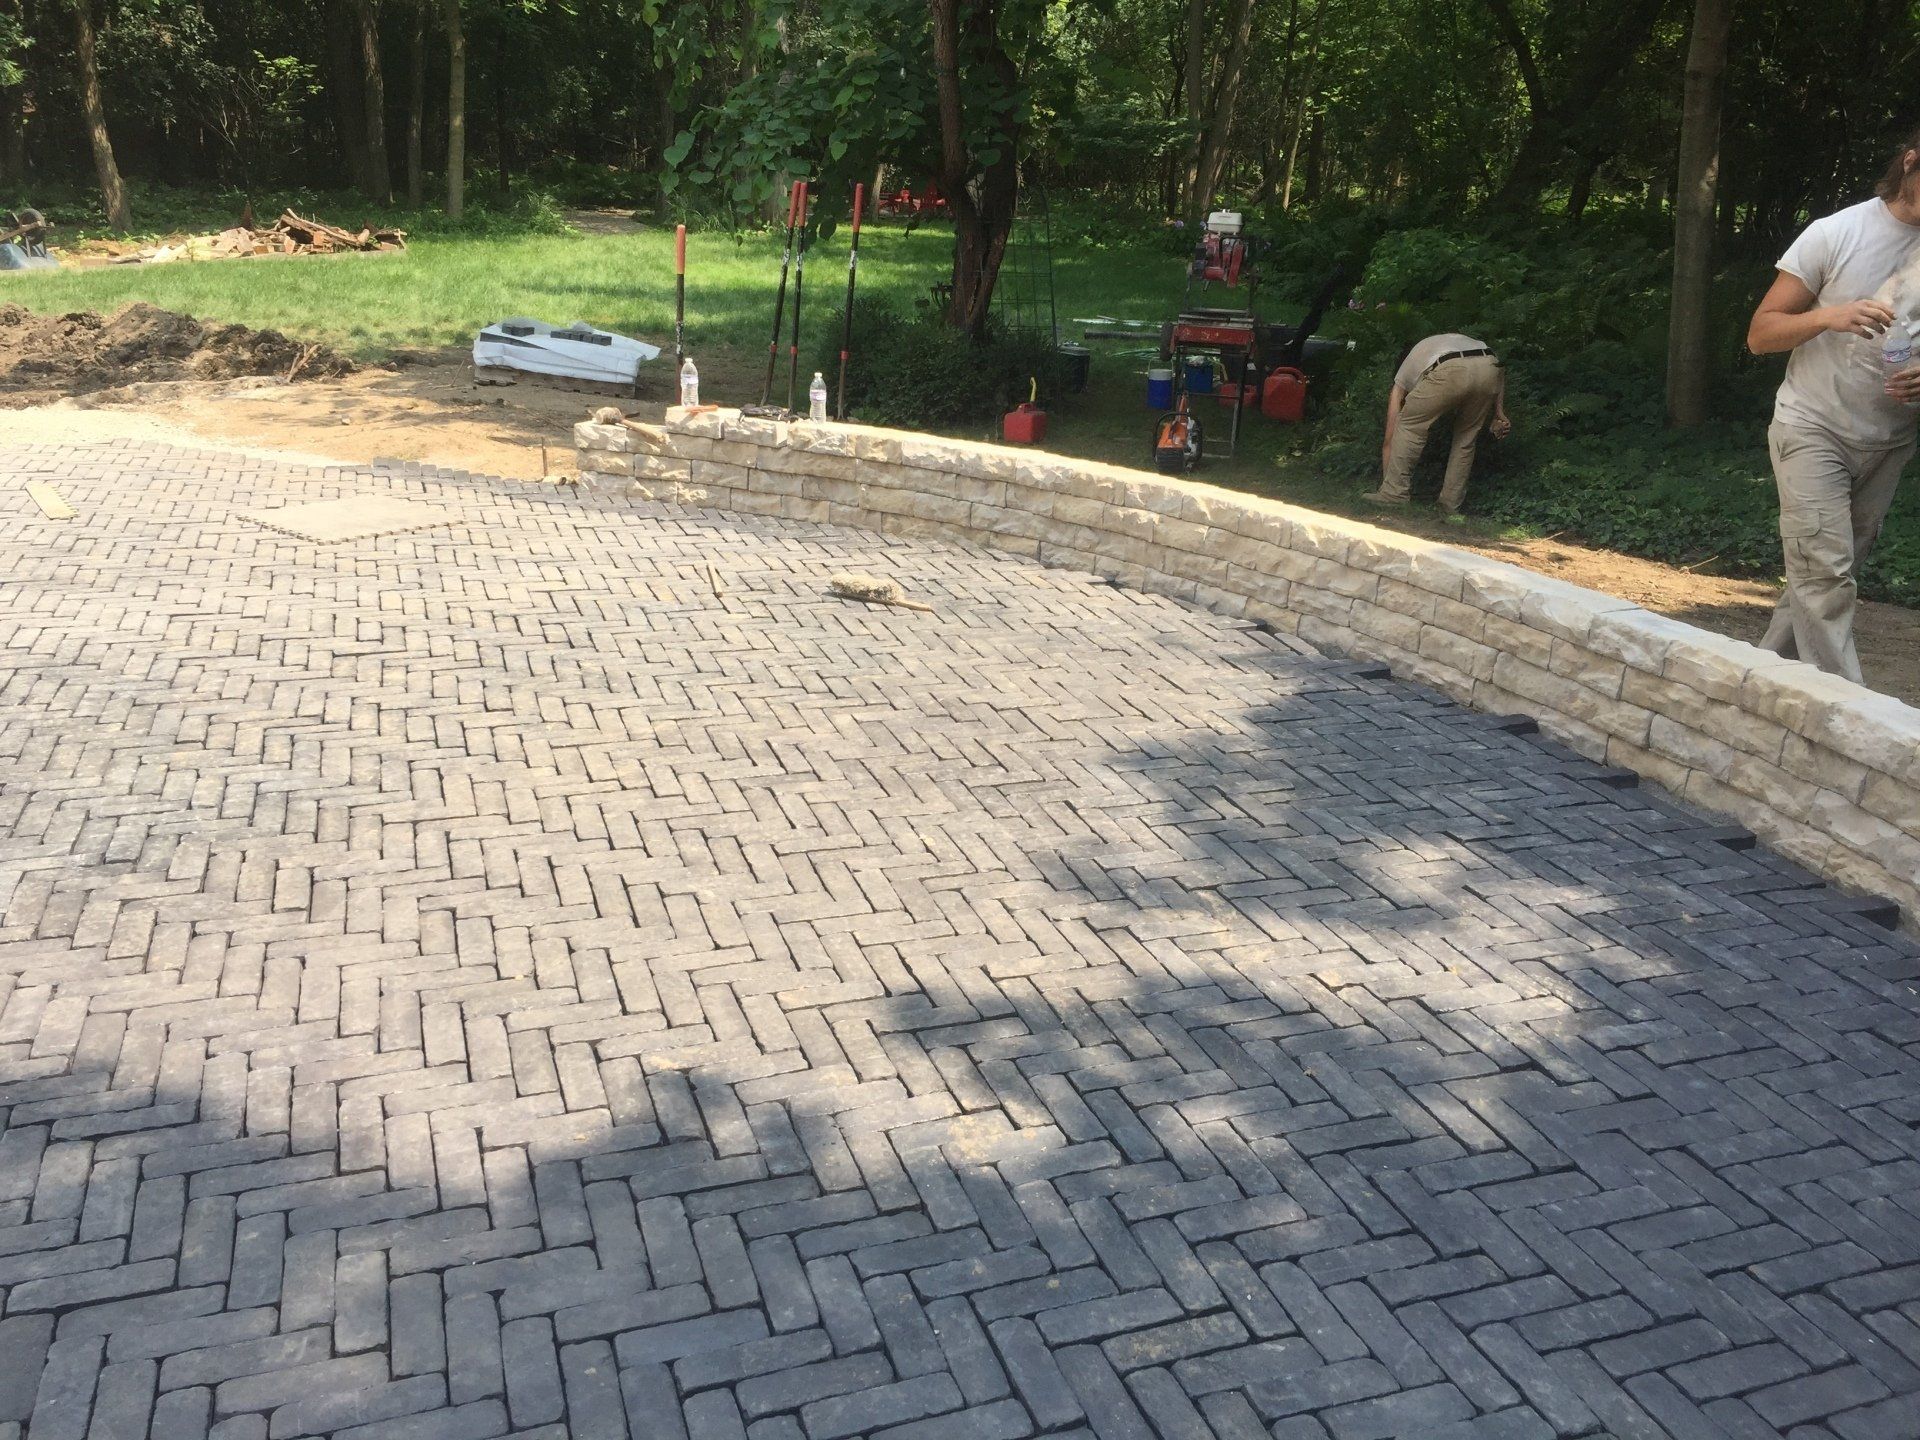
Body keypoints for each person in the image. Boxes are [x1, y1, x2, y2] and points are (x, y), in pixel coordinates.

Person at [1747, 128, 1920, 683]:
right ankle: (1849, 715)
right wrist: (1827, 315)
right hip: (1812, 426)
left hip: (1890, 441)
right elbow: (1760, 334)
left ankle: (1756, 682)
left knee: (1821, 577)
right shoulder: (1836, 232)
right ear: (1912, 164)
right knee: (1825, 574)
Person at [1365, 334, 1511, 515]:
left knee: (1410, 425)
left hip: (1449, 369)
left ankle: (1394, 494)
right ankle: (1449, 505)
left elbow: (1390, 434)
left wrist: (1387, 482)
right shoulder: (1439, 343)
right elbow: (1499, 370)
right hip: (1490, 366)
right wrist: (1499, 412)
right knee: (1466, 439)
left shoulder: (1403, 373)